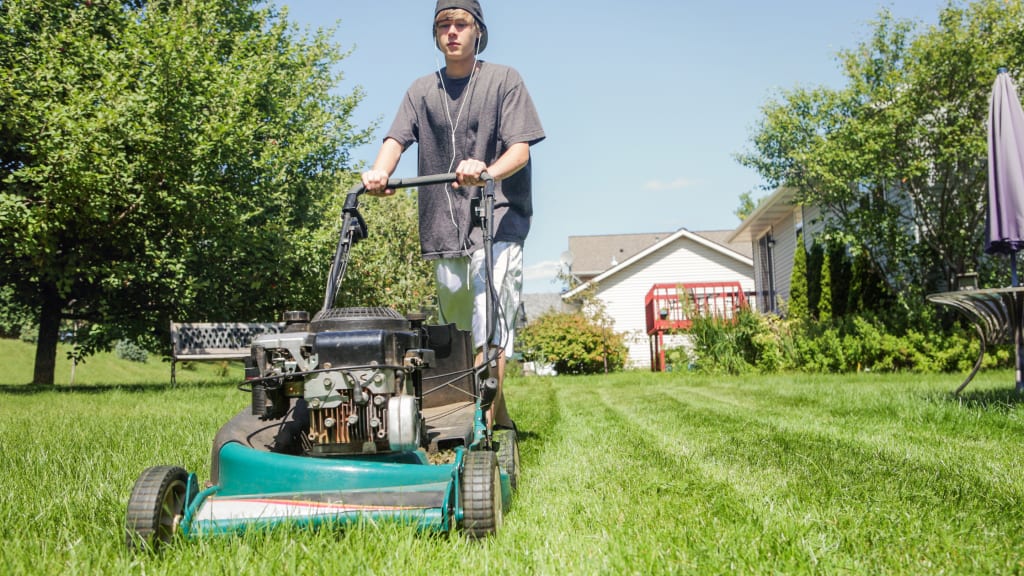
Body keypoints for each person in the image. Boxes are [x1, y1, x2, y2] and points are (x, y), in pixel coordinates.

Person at [361, 0, 544, 431]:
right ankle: (496, 414)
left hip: (498, 220)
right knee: (459, 330)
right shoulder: (422, 90)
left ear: (478, 30)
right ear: (436, 34)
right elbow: (396, 138)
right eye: (444, 24)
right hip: (443, 226)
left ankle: (481, 424)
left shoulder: (504, 80)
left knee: (489, 320)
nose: (452, 32)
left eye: (461, 23)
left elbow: (519, 149)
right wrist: (380, 173)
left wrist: (486, 172)